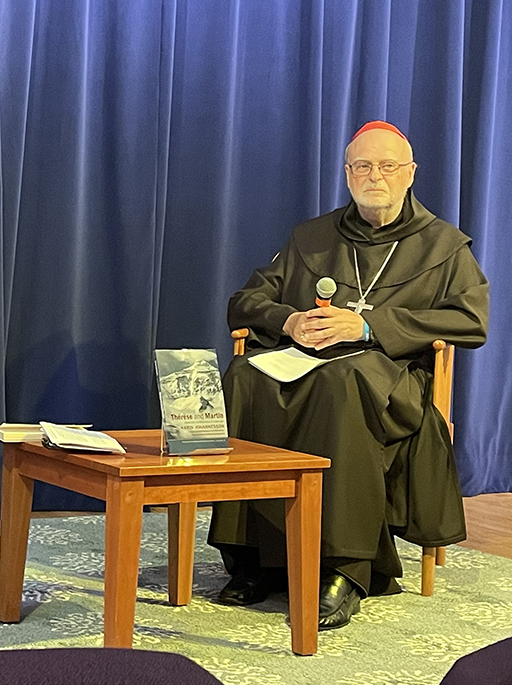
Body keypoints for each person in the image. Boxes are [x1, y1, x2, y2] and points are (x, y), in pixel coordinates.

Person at [208, 121, 489, 630]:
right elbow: (245, 302)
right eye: (361, 166)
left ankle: (344, 567)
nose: (373, 176)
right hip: (309, 367)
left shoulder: (444, 245)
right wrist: (289, 320)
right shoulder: (312, 236)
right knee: (246, 374)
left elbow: (471, 320)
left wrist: (366, 324)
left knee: (344, 379)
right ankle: (248, 555)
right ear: (346, 173)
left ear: (410, 174)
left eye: (386, 166)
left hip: (393, 380)